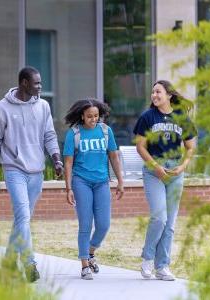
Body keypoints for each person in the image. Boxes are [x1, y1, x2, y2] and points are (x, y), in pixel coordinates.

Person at [0, 66, 63, 282]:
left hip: (36, 171)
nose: (40, 87)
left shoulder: (43, 106)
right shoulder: (0, 109)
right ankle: (29, 264)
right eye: (37, 83)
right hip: (14, 169)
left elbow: (49, 134)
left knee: (22, 220)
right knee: (24, 216)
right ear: (24, 83)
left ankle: (8, 261)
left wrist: (56, 160)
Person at [134, 80, 196, 281]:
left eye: (158, 92)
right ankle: (147, 259)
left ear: (169, 95)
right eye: (152, 92)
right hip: (154, 172)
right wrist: (155, 167)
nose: (154, 95)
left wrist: (183, 166)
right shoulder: (147, 117)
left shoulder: (181, 117)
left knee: (170, 223)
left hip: (175, 172)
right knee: (159, 218)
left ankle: (162, 267)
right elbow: (140, 147)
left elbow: (190, 147)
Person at [63, 99, 124, 280]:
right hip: (81, 182)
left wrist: (120, 181)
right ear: (82, 116)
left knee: (104, 225)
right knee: (85, 224)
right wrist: (68, 188)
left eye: (96, 116)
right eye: (89, 116)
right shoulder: (74, 133)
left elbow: (113, 156)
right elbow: (68, 162)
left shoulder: (105, 131)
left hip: (101, 183)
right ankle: (84, 265)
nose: (93, 119)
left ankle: (90, 252)